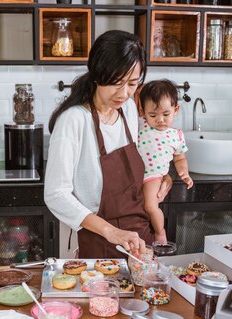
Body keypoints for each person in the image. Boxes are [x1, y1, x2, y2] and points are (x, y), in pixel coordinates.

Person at [44, 30, 172, 259]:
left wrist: (163, 176)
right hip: (97, 241)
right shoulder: (74, 120)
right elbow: (56, 194)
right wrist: (111, 232)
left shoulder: (129, 110)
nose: (124, 93)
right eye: (116, 83)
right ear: (97, 75)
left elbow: (143, 161)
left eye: (132, 84)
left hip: (139, 237)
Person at [138, 79, 193, 243]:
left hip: (153, 176)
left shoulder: (176, 135)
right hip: (135, 176)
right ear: (143, 112)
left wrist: (184, 173)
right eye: (153, 115)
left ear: (176, 110)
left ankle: (160, 232)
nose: (160, 119)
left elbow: (180, 157)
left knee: (150, 206)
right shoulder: (140, 128)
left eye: (166, 114)